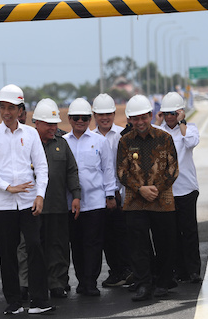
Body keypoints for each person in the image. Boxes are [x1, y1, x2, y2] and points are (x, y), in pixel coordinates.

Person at [0, 84, 55, 315]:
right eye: (2, 107)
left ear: (21, 110)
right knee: (8, 252)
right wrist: (7, 187)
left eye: (11, 107)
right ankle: (13, 302)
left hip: (29, 201)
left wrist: (40, 195)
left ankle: (39, 299)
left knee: (34, 246)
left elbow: (42, 167)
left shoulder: (31, 134)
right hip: (2, 204)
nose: (6, 112)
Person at [117, 94, 179, 302]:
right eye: (136, 119)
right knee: (138, 246)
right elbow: (121, 172)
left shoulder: (165, 138)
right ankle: (144, 284)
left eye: (144, 117)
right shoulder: (125, 141)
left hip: (162, 201)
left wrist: (155, 189)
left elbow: (173, 170)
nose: (140, 122)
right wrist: (140, 189)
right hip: (135, 203)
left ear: (150, 116)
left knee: (165, 243)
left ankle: (162, 282)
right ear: (130, 120)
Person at [64, 98, 117, 297]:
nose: (80, 121)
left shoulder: (99, 141)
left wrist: (110, 195)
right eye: (76, 118)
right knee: (76, 244)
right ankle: (81, 280)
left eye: (85, 118)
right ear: (69, 119)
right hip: (71, 204)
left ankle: (91, 282)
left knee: (93, 244)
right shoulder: (63, 143)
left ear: (89, 119)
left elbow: (108, 170)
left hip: (95, 202)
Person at [33, 98, 81, 298]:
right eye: (49, 124)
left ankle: (57, 283)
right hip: (33, 208)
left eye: (55, 124)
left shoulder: (62, 144)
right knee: (33, 247)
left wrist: (76, 196)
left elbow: (72, 171)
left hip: (58, 207)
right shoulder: (27, 143)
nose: (53, 128)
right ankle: (33, 284)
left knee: (59, 247)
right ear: (36, 123)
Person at [154, 92, 202, 284]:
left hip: (187, 189)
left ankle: (193, 270)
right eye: (166, 113)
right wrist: (157, 123)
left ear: (180, 113)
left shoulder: (190, 129)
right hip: (167, 191)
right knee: (171, 234)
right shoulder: (159, 132)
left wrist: (183, 123)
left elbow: (190, 142)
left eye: (173, 113)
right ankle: (177, 270)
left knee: (189, 232)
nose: (169, 117)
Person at [91, 94, 132, 288]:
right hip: (101, 196)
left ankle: (129, 270)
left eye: (108, 114)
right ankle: (116, 271)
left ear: (114, 114)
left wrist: (120, 193)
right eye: (100, 114)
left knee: (125, 235)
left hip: (123, 194)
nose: (104, 118)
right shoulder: (90, 138)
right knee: (107, 237)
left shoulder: (123, 135)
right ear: (94, 115)